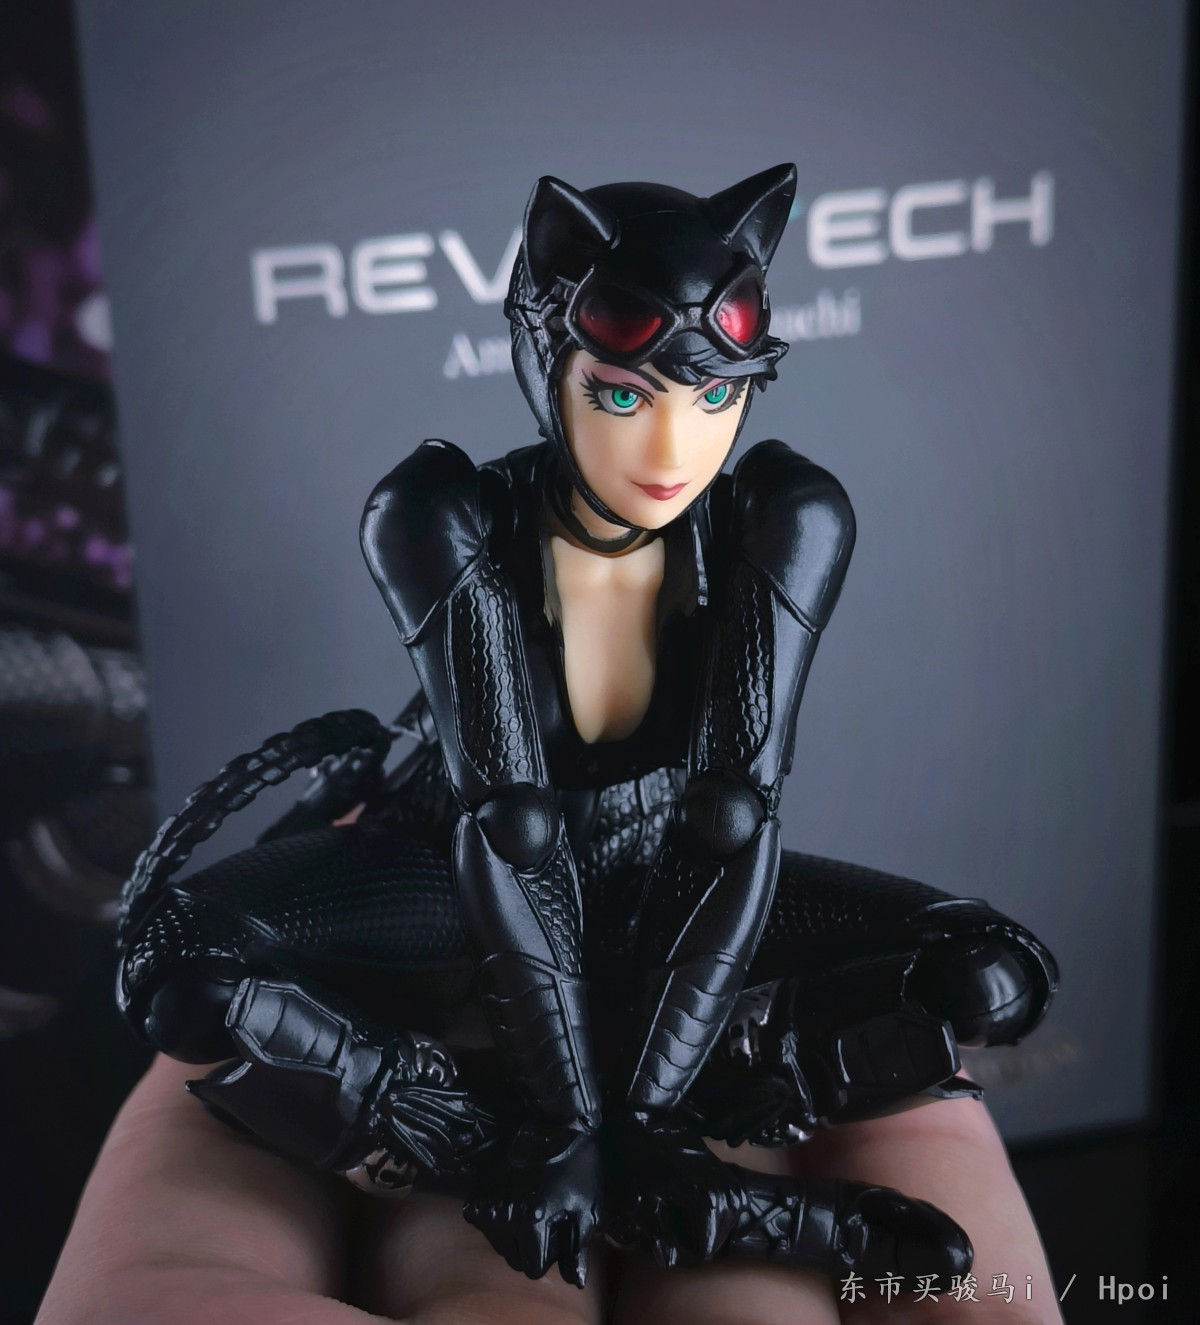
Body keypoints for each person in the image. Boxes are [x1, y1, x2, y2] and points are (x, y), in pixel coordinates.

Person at [111, 166, 1057, 1290]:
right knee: (180, 971)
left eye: (716, 399)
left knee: (991, 974)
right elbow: (507, 823)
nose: (672, 451)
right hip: (450, 881)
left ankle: (660, 1158)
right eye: (622, 397)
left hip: (661, 876)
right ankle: (532, 1155)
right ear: (541, 359)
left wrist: (639, 1114)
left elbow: (732, 817)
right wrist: (565, 1123)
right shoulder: (444, 514)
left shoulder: (783, 517)